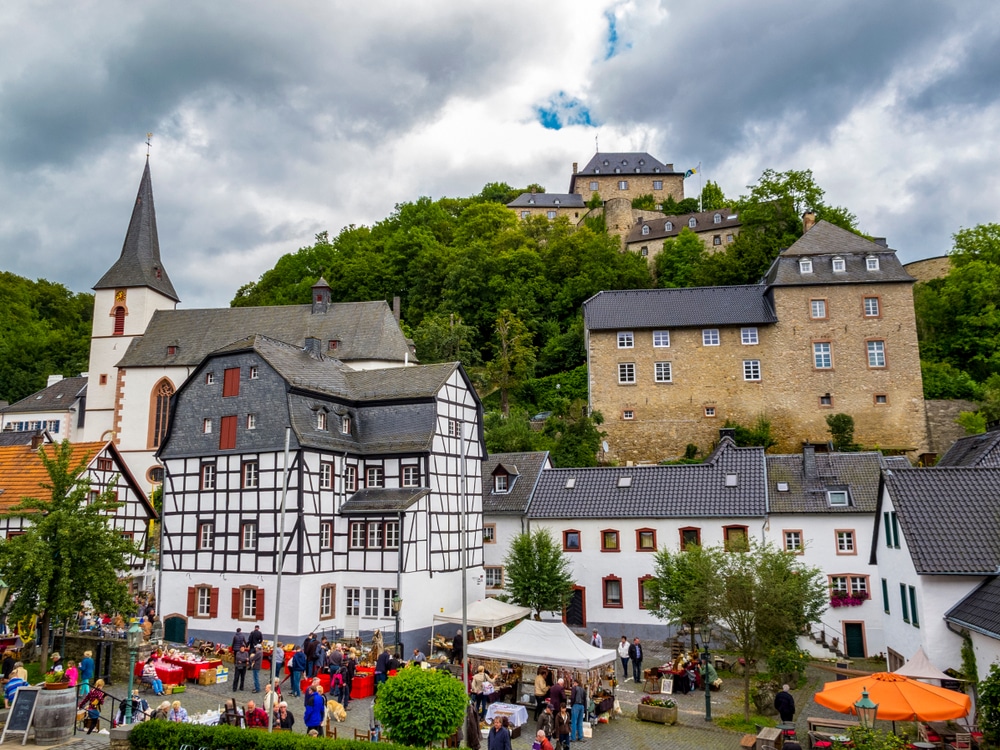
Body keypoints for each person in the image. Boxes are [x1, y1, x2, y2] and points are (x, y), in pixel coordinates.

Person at [570, 677, 586, 743]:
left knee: (574, 722)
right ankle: (580, 737)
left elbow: (572, 697)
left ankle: (573, 738)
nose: (573, 684)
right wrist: (584, 708)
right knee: (580, 722)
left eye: (574, 683)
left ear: (577, 683)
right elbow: (585, 700)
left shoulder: (574, 688)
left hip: (576, 705)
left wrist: (572, 704)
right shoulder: (583, 690)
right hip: (582, 706)